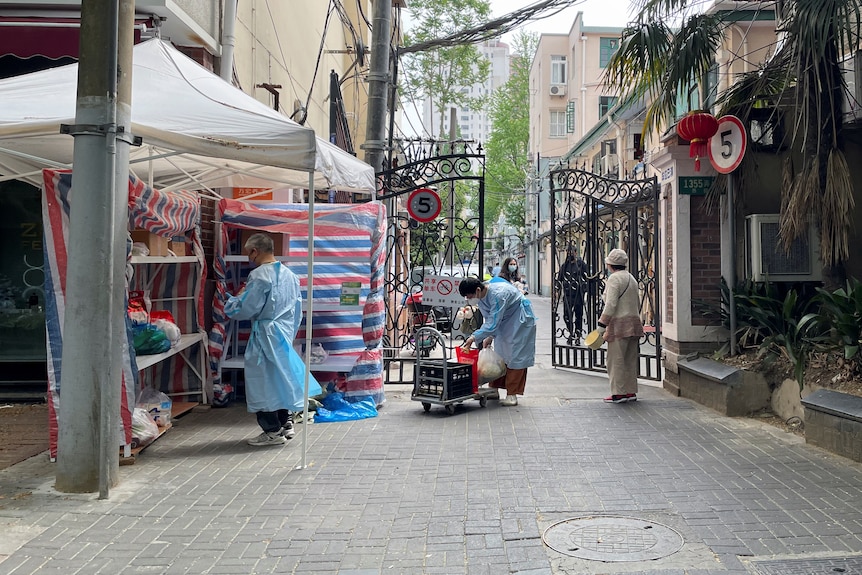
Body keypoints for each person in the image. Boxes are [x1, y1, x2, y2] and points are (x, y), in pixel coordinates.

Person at [225, 233, 320, 446]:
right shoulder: (290, 276)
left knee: (263, 384)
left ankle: (272, 430)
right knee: (281, 380)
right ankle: (285, 423)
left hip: (265, 335)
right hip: (283, 334)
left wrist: (234, 301)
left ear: (254, 251)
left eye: (248, 253)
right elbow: (297, 310)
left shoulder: (259, 276)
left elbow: (246, 307)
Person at [459, 277, 536, 406]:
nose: (468, 299)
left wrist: (473, 337)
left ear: (478, 290)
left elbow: (493, 322)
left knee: (515, 357)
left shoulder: (498, 295)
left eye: (469, 296)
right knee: (499, 355)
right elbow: (491, 319)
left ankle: (512, 394)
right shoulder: (482, 298)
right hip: (505, 321)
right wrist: (489, 336)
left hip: (520, 321)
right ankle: (493, 389)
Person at [597, 248, 643, 404]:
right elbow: (637, 302)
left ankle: (618, 393)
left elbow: (610, 304)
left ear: (610, 264)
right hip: (634, 323)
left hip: (619, 325)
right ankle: (630, 391)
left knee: (615, 359)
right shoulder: (631, 278)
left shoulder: (614, 279)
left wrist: (601, 325)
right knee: (630, 359)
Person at [557, 247, 588, 344]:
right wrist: (556, 291)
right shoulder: (564, 266)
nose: (570, 254)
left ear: (576, 252)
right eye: (568, 252)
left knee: (578, 315)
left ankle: (578, 335)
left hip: (578, 294)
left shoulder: (581, 264)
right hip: (567, 295)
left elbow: (587, 277)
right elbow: (559, 280)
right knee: (567, 315)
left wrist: (586, 289)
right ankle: (571, 333)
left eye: (572, 252)